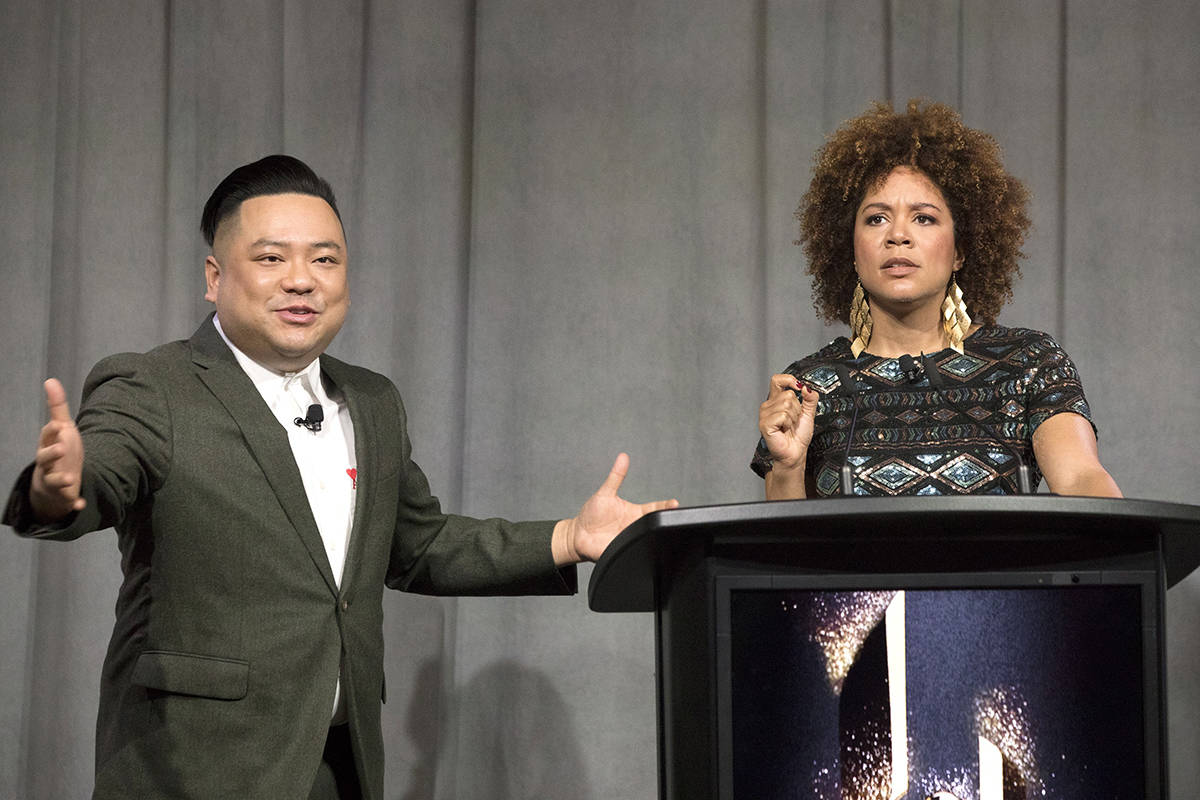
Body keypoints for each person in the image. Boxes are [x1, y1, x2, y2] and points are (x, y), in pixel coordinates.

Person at [4, 154, 678, 800]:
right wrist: (61, 488)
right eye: (271, 258)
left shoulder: (372, 401)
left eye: (325, 259)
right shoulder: (153, 385)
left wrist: (568, 536)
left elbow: (418, 546)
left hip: (337, 765)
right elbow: (101, 471)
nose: (302, 280)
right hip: (195, 768)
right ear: (214, 277)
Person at [753, 100, 1121, 500]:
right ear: (853, 251)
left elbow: (1084, 483)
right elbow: (786, 548)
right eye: (876, 218)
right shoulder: (808, 389)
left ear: (960, 250)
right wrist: (788, 466)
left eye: (924, 218)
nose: (898, 235)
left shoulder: (1030, 362)